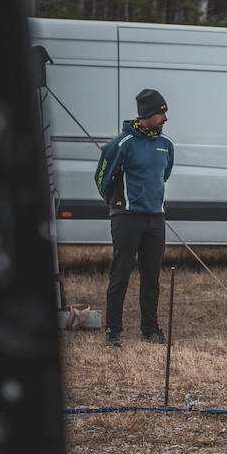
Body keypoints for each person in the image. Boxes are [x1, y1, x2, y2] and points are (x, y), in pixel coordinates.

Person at [94, 89, 174, 347]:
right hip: (126, 219)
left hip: (155, 221)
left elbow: (163, 176)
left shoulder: (166, 145)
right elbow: (101, 179)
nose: (165, 118)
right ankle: (113, 331)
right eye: (162, 112)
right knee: (120, 275)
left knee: (151, 278)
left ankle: (150, 329)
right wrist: (118, 204)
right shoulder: (121, 143)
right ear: (147, 115)